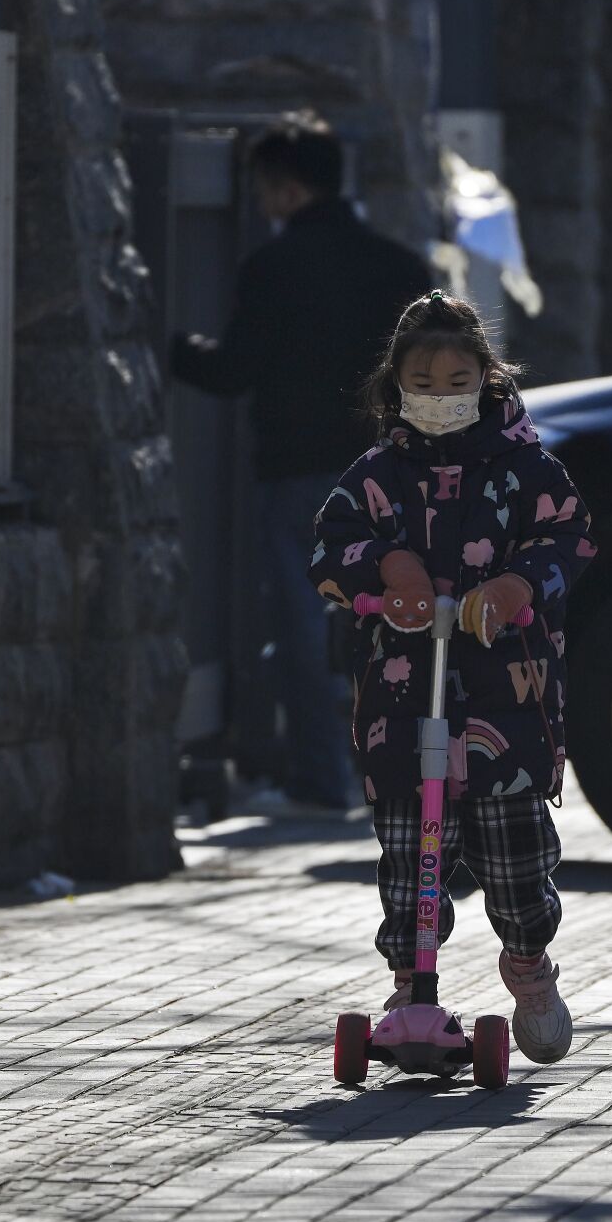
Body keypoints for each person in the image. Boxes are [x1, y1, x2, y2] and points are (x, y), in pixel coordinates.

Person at [307, 292, 595, 1063]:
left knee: (516, 859)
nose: (441, 395)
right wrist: (383, 567)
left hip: (506, 698)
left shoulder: (526, 470)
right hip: (403, 698)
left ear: (488, 378)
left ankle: (529, 962)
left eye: (457, 378)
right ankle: (412, 979)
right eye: (423, 382)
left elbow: (569, 534)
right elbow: (331, 548)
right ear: (396, 385)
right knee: (408, 855)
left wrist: (516, 587)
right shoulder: (376, 476)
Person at [172, 115, 434, 811]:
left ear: (287, 190)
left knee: (299, 623)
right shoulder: (403, 268)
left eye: (264, 190)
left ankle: (322, 781)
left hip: (298, 474)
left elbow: (233, 371)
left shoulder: (273, 267)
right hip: (391, 474)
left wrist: (168, 347)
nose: (261, 204)